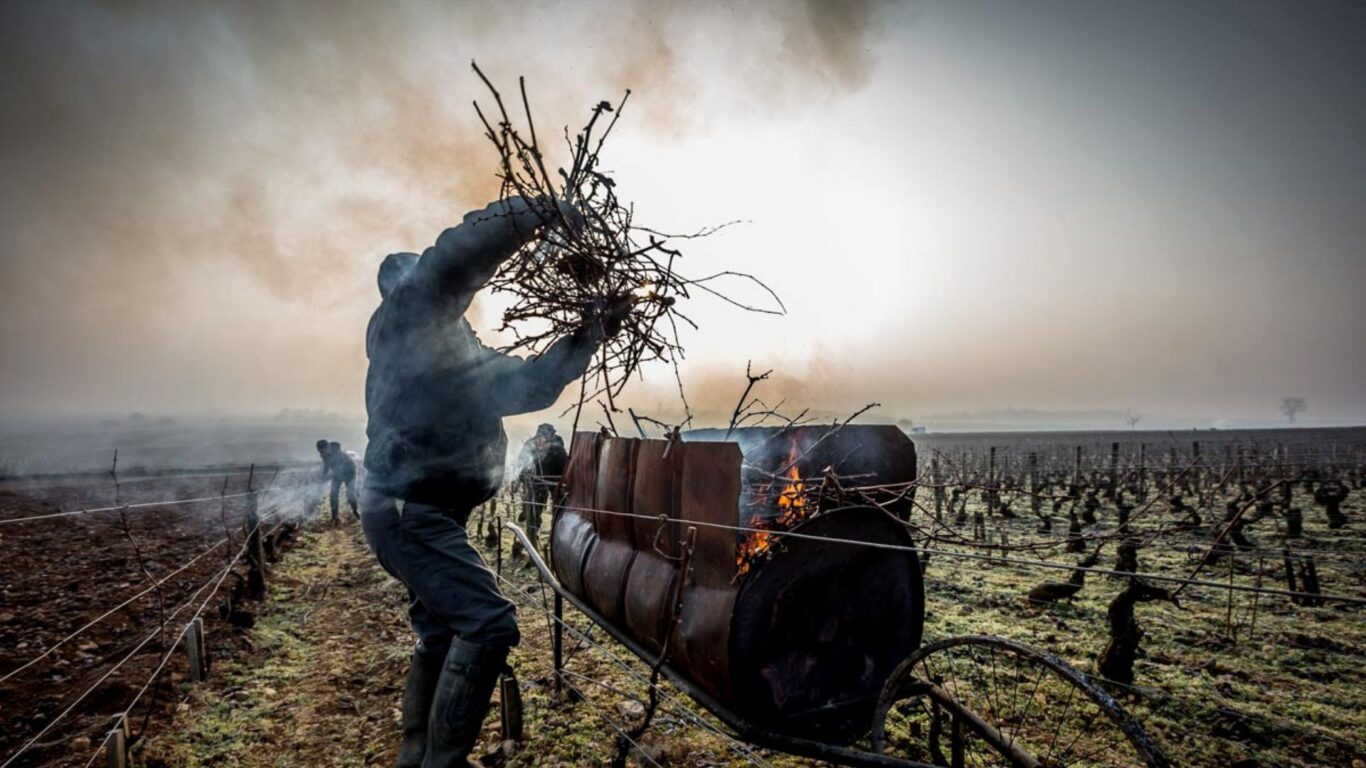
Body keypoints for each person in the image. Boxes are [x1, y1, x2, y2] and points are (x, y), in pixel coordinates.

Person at [361, 196, 625, 767]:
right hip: (412, 510)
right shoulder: (405, 321)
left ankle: (419, 758)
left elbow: (529, 388)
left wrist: (592, 332)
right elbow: (455, 260)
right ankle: (442, 763)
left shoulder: (454, 351)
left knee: (442, 632)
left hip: (425, 511)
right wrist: (537, 214)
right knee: (489, 623)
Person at [514, 423, 568, 557]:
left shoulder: (558, 450)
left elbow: (565, 469)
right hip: (536, 481)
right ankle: (533, 531)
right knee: (534, 510)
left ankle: (558, 534)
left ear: (550, 440)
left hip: (554, 480)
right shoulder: (530, 446)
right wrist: (523, 477)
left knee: (560, 507)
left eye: (544, 440)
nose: (540, 443)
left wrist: (562, 484)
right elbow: (520, 463)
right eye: (538, 438)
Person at [320, 440, 360, 523]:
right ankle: (335, 517)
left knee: (350, 493)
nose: (322, 452)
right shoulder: (324, 455)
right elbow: (326, 465)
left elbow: (340, 470)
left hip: (350, 472)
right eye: (320, 451)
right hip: (338, 475)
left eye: (323, 450)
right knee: (333, 494)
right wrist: (323, 475)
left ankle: (356, 512)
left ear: (328, 447)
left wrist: (327, 477)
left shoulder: (337, 452)